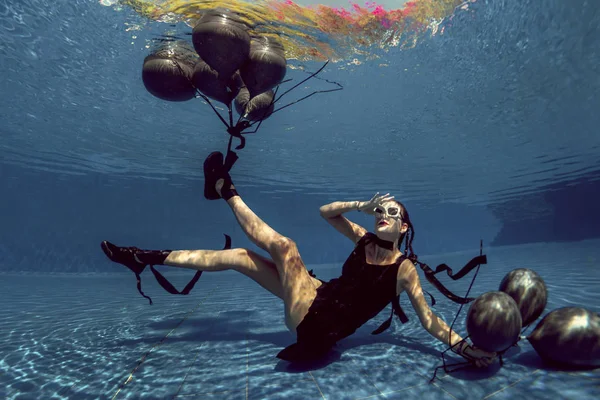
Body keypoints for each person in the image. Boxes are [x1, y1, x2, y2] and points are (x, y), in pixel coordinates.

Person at [101, 151, 497, 367]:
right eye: (381, 210)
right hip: (316, 295)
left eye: (393, 214)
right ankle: (143, 257)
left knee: (286, 247)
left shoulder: (404, 270)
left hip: (318, 324)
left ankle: (225, 189)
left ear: (406, 229)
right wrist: (361, 203)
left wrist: (463, 347)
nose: (383, 216)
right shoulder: (362, 237)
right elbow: (326, 212)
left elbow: (429, 319)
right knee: (239, 256)